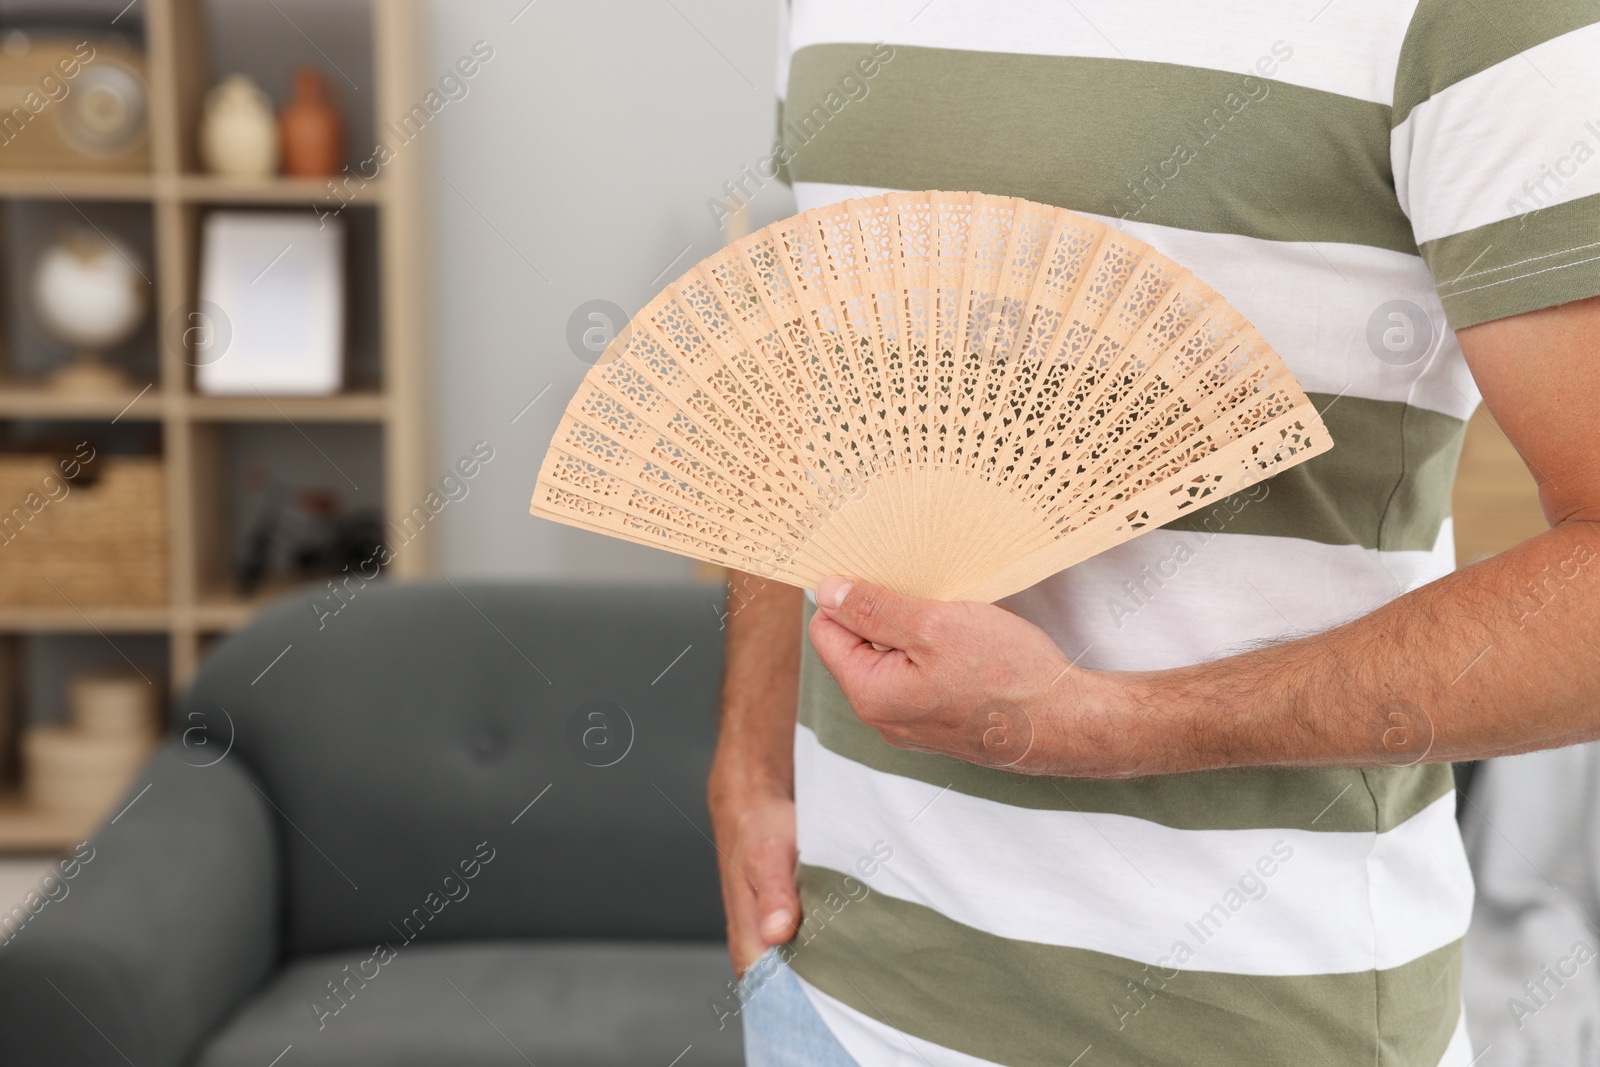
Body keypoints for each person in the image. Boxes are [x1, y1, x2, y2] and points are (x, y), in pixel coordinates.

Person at [708, 3, 1600, 1065]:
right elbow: (802, 355)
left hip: (1251, 1023)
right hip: (833, 1003)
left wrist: (1097, 721)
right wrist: (749, 760)